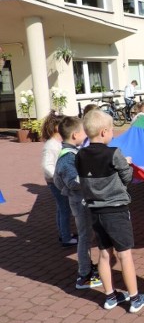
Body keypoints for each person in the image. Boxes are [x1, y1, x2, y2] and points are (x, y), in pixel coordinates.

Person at [76, 110, 144, 313]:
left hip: (95, 211)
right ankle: (135, 298)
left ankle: (110, 296)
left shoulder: (80, 155)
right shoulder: (114, 153)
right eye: (111, 130)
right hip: (116, 210)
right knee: (124, 255)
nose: (113, 134)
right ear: (103, 132)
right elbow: (127, 178)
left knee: (104, 254)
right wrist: (125, 163)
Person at [53, 116, 102, 290]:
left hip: (80, 199)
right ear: (75, 135)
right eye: (83, 131)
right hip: (79, 202)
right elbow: (71, 181)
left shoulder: (71, 152)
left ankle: (86, 267)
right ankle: (84, 274)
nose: (86, 133)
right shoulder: (68, 157)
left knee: (87, 236)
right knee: (85, 237)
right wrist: (92, 178)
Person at [40, 111, 77, 247]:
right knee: (64, 209)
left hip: (58, 182)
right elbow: (47, 166)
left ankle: (64, 233)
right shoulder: (51, 145)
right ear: (57, 127)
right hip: (56, 183)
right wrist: (59, 177)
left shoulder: (58, 142)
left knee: (62, 209)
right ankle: (66, 238)